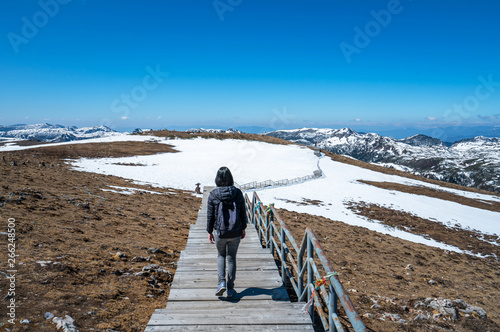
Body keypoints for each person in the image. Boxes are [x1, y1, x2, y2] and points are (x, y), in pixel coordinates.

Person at [207, 167, 247, 298]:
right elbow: (242, 212)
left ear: (217, 179)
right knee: (231, 258)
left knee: (221, 256)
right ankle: (230, 288)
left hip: (220, 231)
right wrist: (243, 228)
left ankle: (221, 283)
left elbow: (210, 215)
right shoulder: (237, 193)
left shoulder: (213, 194)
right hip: (235, 231)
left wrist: (210, 231)